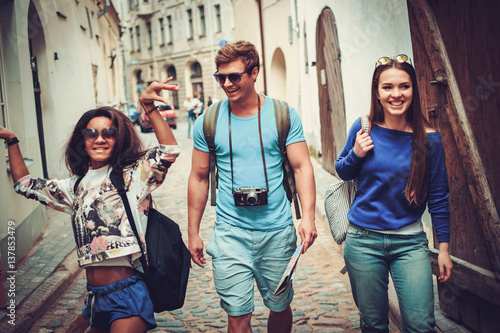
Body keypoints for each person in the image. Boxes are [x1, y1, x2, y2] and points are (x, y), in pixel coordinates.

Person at [0, 78, 181, 333]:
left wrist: (149, 106)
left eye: (109, 132)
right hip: (95, 299)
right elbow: (24, 183)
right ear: (82, 141)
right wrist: (11, 139)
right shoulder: (74, 187)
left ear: (118, 138)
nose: (100, 139)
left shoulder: (132, 177)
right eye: (91, 133)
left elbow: (169, 150)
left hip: (128, 295)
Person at [187, 40, 317, 333]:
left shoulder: (283, 115)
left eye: (235, 76)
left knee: (279, 306)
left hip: (277, 232)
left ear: (254, 72)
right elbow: (199, 176)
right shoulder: (207, 121)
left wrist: (307, 217)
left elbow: (302, 167)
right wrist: (193, 232)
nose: (227, 83)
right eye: (221, 77)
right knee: (237, 316)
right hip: (230, 235)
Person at [335, 54, 453, 333]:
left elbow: (438, 198)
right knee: (373, 325)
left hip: (409, 243)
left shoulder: (429, 139)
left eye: (404, 86)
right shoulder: (363, 127)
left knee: (421, 325)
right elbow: (343, 171)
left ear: (414, 89)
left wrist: (444, 249)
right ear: (377, 92)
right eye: (387, 87)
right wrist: (357, 153)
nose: (396, 94)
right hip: (362, 241)